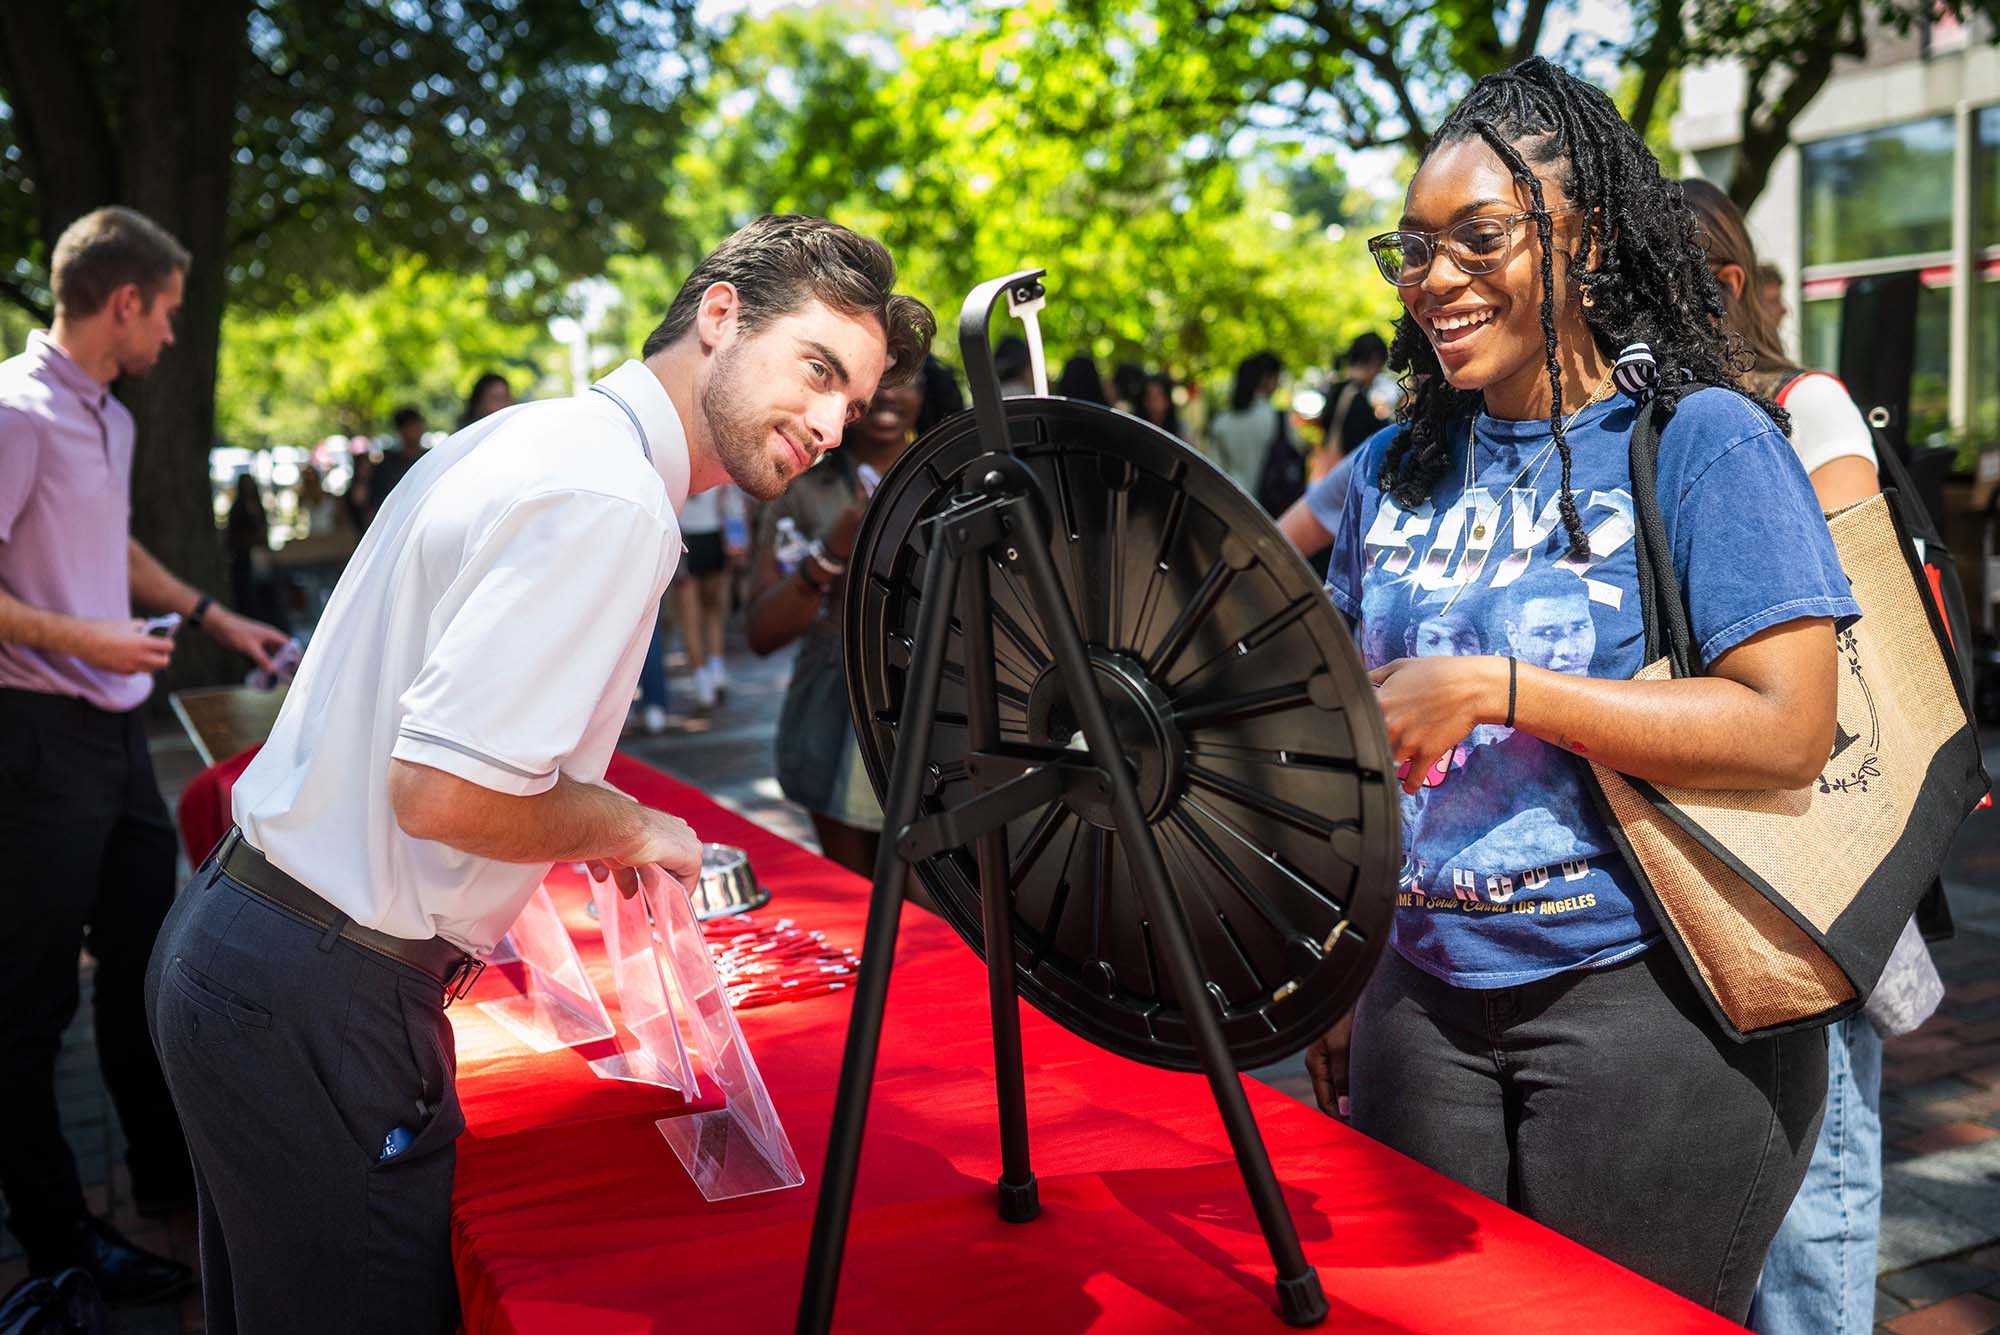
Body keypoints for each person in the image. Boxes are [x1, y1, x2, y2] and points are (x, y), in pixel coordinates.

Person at [143, 214, 933, 1335]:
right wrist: (627, 825)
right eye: (815, 369)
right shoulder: (607, 495)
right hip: (321, 990)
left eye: (848, 403)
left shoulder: (535, 438)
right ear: (719, 315)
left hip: (265, 948)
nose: (826, 422)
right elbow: (442, 792)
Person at [1302, 59, 1859, 1321]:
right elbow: (1347, 736)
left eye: (1477, 237)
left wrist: (1504, 688)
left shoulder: (1702, 439)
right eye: (1411, 247)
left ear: (1586, 239)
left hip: (1652, 1002)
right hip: (1417, 1002)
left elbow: (1787, 725)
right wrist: (1340, 961)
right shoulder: (1393, 465)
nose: (1431, 277)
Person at [0, 205, 290, 1303]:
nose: (172, 334)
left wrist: (213, 616)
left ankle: (168, 1181)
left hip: (115, 733)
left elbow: (97, 542)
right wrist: (94, 641)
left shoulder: (109, 419)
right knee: (27, 1007)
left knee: (144, 963)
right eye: (167, 312)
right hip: (31, 739)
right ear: (125, 303)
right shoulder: (15, 411)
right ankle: (63, 1244)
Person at [1682, 174, 1945, 1335]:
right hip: (1705, 820)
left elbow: (1850, 603)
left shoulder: (1802, 404)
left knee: (1815, 1185)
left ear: (1723, 287)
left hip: (1808, 832)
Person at [746, 378, 921, 881]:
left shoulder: (955, 472)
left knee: (937, 906)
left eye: (907, 381)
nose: (891, 396)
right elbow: (761, 633)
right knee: (858, 896)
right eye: (877, 384)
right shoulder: (801, 491)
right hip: (836, 714)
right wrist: (831, 551)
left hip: (943, 713)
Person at [674, 480, 748, 709]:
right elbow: (735, 504)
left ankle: (703, 679)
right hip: (713, 534)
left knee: (691, 616)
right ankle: (715, 669)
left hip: (685, 535)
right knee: (713, 610)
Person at [1204, 350, 1284, 494]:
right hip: (1268, 508)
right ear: (1266, 378)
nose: (1279, 383)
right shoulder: (1277, 419)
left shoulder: (1222, 421)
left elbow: (1212, 468)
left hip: (1230, 503)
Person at [1320, 332, 1390, 460]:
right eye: (1380, 366)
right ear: (1374, 361)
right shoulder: (1354, 396)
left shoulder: (1338, 389)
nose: (1378, 373)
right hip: (1345, 469)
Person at [368, 404, 428, 522]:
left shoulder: (431, 458)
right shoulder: (387, 465)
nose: (416, 430)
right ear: (401, 430)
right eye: (411, 426)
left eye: (418, 424)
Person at [225, 472, 271, 619]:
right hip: (244, 558)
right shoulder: (238, 508)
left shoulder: (257, 505)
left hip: (259, 557)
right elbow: (233, 536)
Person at [1136, 371, 1191, 442]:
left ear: (1167, 400)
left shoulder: (1181, 429)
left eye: (1156, 397)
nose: (1152, 402)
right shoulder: (1136, 426)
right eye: (1148, 396)